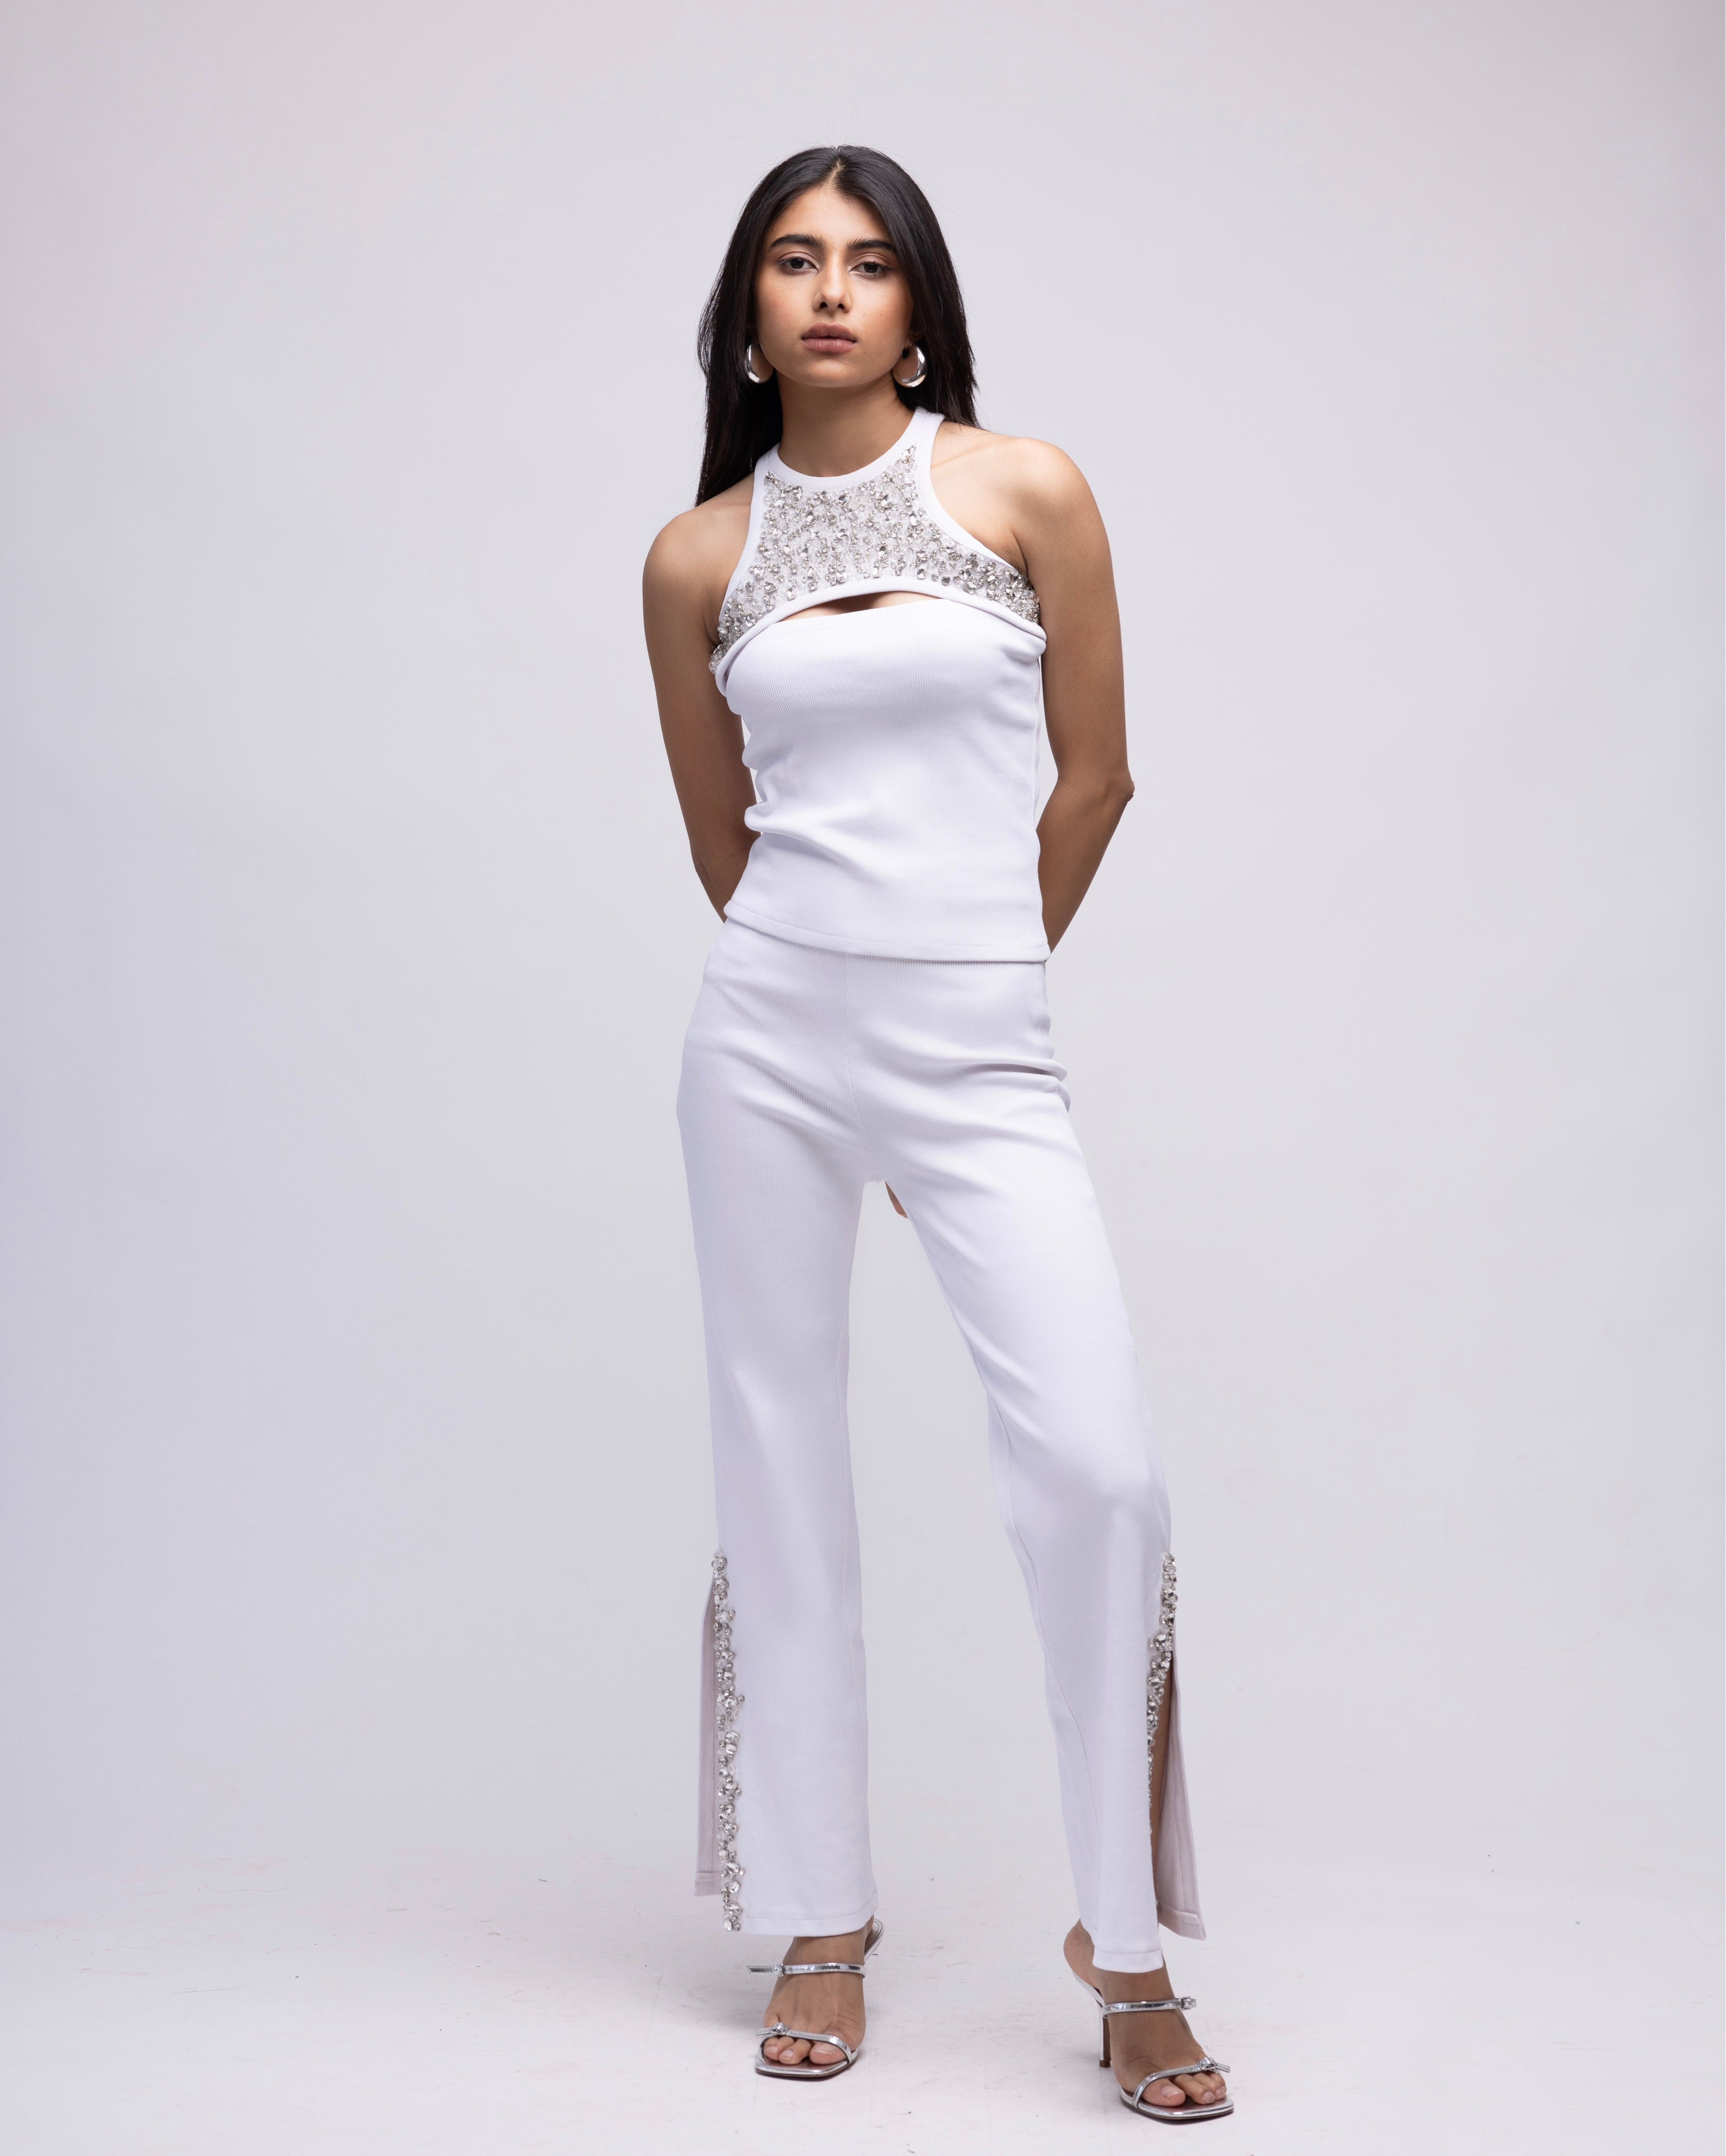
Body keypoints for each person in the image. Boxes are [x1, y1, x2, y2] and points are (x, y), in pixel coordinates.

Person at [641, 144, 1231, 2123]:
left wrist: (962, 1004)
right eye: (794, 261)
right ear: (748, 312)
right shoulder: (696, 558)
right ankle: (820, 1915)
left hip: (973, 1039)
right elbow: (723, 842)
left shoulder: (1022, 488)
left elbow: (1097, 779)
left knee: (1097, 1470)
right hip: (764, 1042)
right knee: (778, 1462)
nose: (831, 291)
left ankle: (1123, 1945)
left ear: (918, 306)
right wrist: (831, 1015)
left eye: (870, 261)